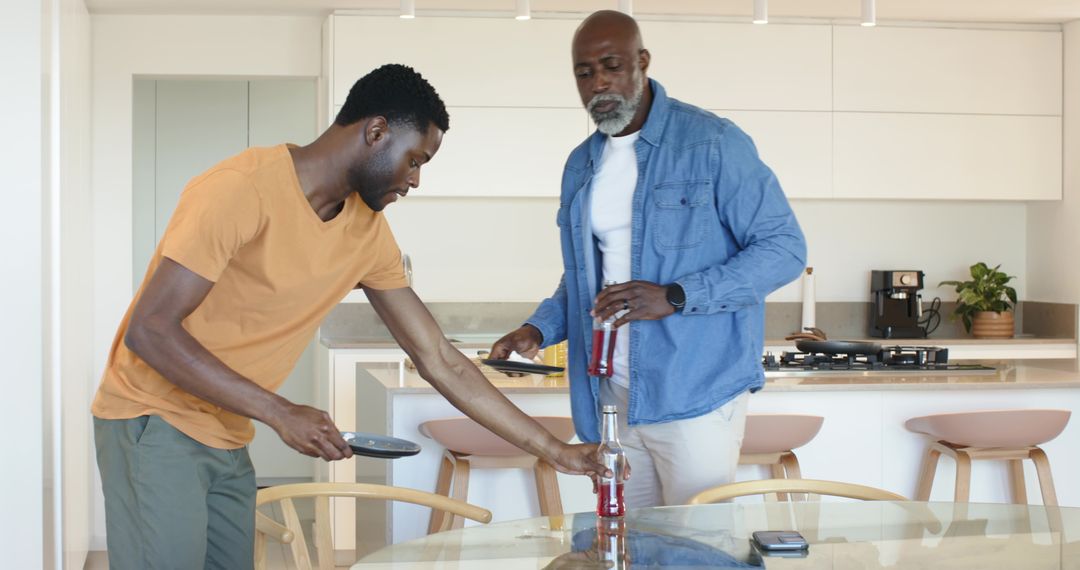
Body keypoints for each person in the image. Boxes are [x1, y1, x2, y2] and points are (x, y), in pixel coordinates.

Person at [91, 64, 608, 570]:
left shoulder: (367, 233)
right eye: (414, 160)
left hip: (229, 432)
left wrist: (556, 450)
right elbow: (151, 330)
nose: (417, 180)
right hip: (153, 421)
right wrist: (279, 411)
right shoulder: (239, 188)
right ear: (376, 132)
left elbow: (439, 359)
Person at [491, 12, 807, 508]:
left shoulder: (713, 143)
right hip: (612, 397)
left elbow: (784, 249)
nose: (598, 84)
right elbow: (584, 275)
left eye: (611, 66)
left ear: (641, 63)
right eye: (584, 72)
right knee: (630, 546)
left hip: (697, 392)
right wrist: (538, 329)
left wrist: (676, 297)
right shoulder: (581, 164)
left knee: (700, 549)